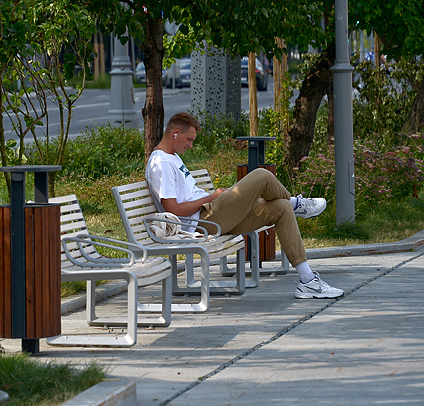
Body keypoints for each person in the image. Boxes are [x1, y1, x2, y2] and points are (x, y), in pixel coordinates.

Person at [145, 112, 343, 299]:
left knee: (282, 208)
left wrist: (214, 197)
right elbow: (174, 210)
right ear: (175, 133)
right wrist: (212, 197)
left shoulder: (171, 157)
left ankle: (308, 281)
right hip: (201, 222)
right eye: (189, 140)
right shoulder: (161, 163)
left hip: (212, 216)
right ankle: (298, 204)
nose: (191, 145)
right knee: (262, 175)